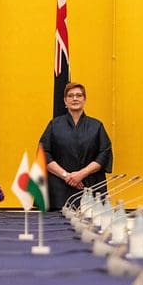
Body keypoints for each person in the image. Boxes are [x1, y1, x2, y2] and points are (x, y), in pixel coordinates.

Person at [40, 82, 113, 211]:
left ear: (84, 100)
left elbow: (104, 154)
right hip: (59, 190)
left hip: (90, 187)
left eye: (79, 95)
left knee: (91, 228)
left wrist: (81, 174)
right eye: (70, 96)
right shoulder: (54, 125)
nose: (75, 98)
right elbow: (43, 154)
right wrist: (66, 176)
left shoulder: (97, 126)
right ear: (65, 100)